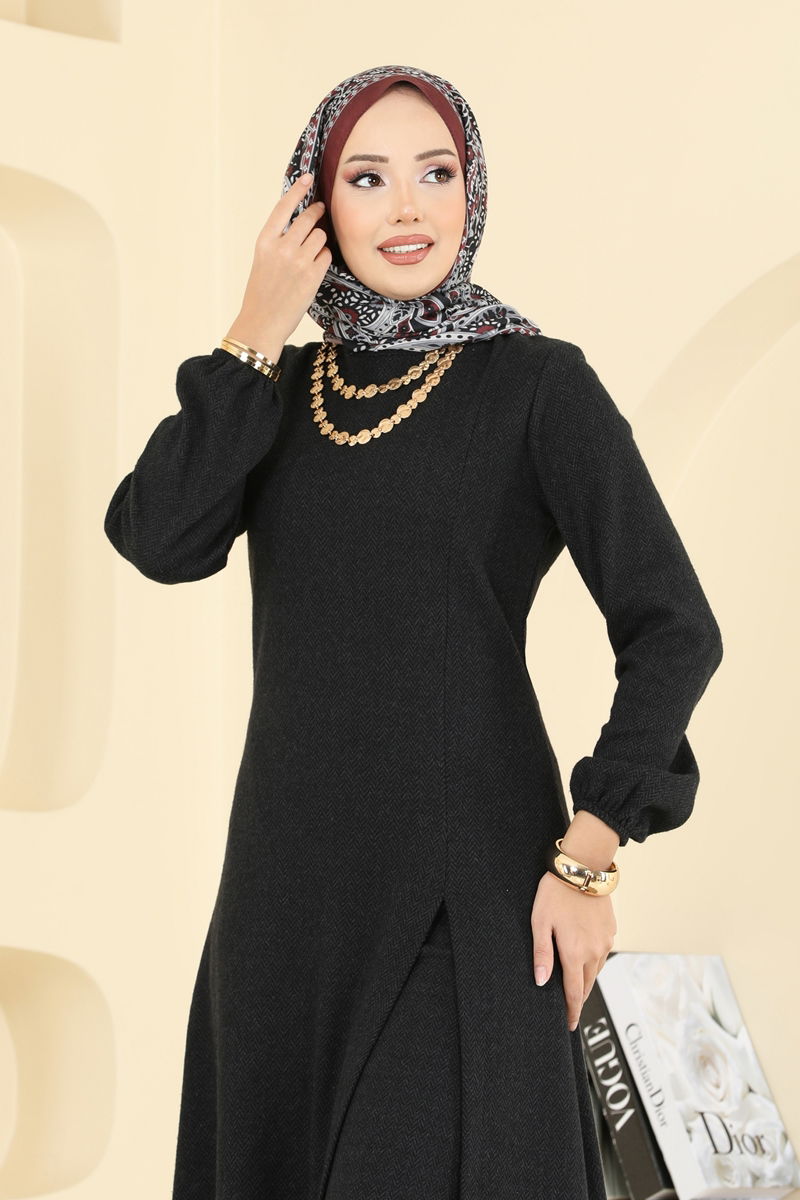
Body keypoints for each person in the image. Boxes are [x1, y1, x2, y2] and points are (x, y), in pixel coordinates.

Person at [103, 63, 724, 1200]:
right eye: (367, 177)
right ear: (311, 207)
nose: (406, 207)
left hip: (464, 892)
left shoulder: (535, 385)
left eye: (436, 173)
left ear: (471, 191)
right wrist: (253, 326)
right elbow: (158, 538)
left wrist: (588, 852)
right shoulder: (278, 389)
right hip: (284, 900)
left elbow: (674, 626)